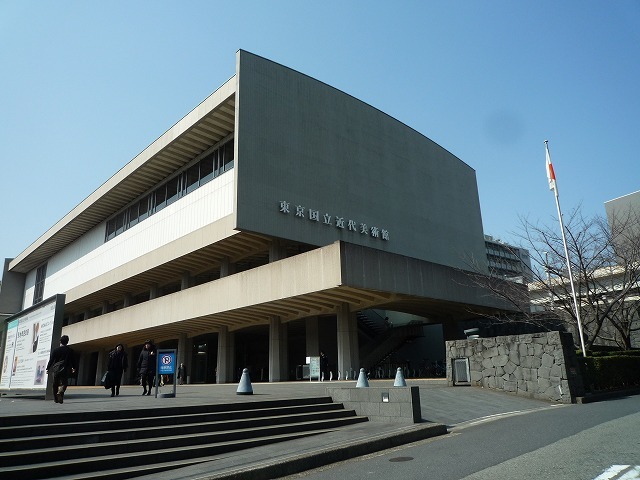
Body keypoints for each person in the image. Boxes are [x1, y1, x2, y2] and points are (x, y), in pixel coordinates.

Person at [46, 335, 77, 404]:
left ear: (60, 341)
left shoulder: (56, 350)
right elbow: (73, 360)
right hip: (65, 368)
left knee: (55, 384)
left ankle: (55, 399)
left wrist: (48, 368)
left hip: (56, 369)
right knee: (64, 383)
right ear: (67, 342)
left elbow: (51, 360)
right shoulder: (70, 350)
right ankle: (61, 392)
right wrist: (74, 367)